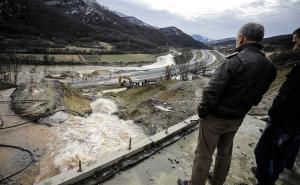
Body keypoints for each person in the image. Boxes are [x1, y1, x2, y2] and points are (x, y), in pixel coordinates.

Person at [178, 22, 277, 185]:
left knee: (204, 154)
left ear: (242, 38)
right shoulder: (270, 66)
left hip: (215, 118)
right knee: (225, 152)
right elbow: (260, 93)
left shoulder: (233, 61)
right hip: (237, 117)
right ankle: (217, 181)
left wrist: (202, 112)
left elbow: (211, 91)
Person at [254, 27, 300, 185]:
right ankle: (267, 175)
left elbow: (290, 96)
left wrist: (274, 112)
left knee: (263, 152)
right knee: (281, 154)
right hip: (294, 124)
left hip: (285, 122)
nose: (294, 47)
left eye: (296, 42)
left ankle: (265, 178)